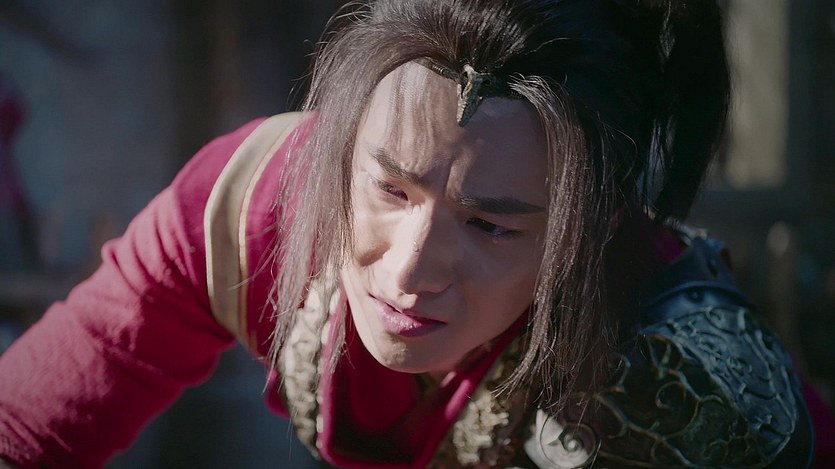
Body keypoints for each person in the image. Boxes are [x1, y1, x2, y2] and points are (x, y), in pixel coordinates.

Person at [0, 0, 820, 467]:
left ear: (593, 228)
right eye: (389, 187)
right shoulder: (260, 198)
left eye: (489, 223)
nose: (408, 269)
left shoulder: (687, 399)